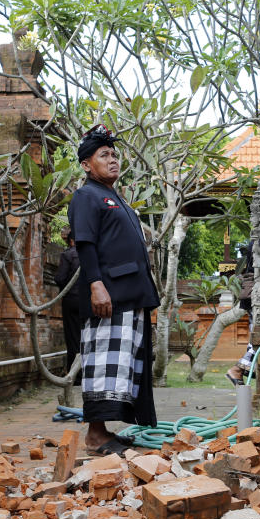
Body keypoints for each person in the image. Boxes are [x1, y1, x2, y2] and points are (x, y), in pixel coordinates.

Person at [67, 124, 160, 456]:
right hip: (108, 294)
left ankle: (105, 431)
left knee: (123, 364)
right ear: (86, 165)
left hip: (130, 295)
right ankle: (95, 435)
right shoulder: (86, 196)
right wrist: (95, 285)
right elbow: (86, 245)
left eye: (115, 154)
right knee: (104, 360)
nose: (113, 159)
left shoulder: (115, 198)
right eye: (104, 155)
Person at [54, 227, 82, 383]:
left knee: (73, 338)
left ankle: (76, 375)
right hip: (89, 301)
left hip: (71, 300)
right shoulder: (91, 255)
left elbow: (60, 278)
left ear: (71, 241)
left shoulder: (68, 255)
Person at [226, 241, 254, 386]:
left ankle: (239, 370)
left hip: (255, 295)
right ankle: (237, 369)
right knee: (258, 340)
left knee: (255, 338)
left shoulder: (259, 238)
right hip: (256, 294)